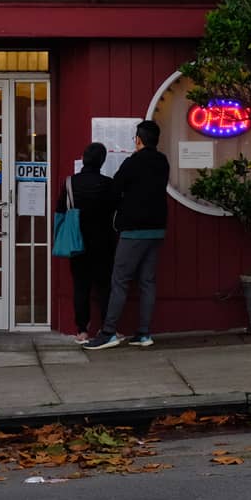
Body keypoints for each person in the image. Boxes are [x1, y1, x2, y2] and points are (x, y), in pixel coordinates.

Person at [86, 120, 170, 351]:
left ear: (139, 139)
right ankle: (144, 333)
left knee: (120, 281)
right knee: (147, 281)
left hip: (134, 230)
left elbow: (115, 189)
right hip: (157, 228)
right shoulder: (163, 161)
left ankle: (108, 332)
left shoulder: (133, 162)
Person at [61, 144, 118, 341]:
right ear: (102, 161)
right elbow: (116, 209)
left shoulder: (70, 183)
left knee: (80, 286)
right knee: (105, 286)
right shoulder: (109, 184)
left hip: (77, 241)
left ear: (83, 159)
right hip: (104, 242)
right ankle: (107, 328)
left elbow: (60, 210)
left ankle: (82, 330)